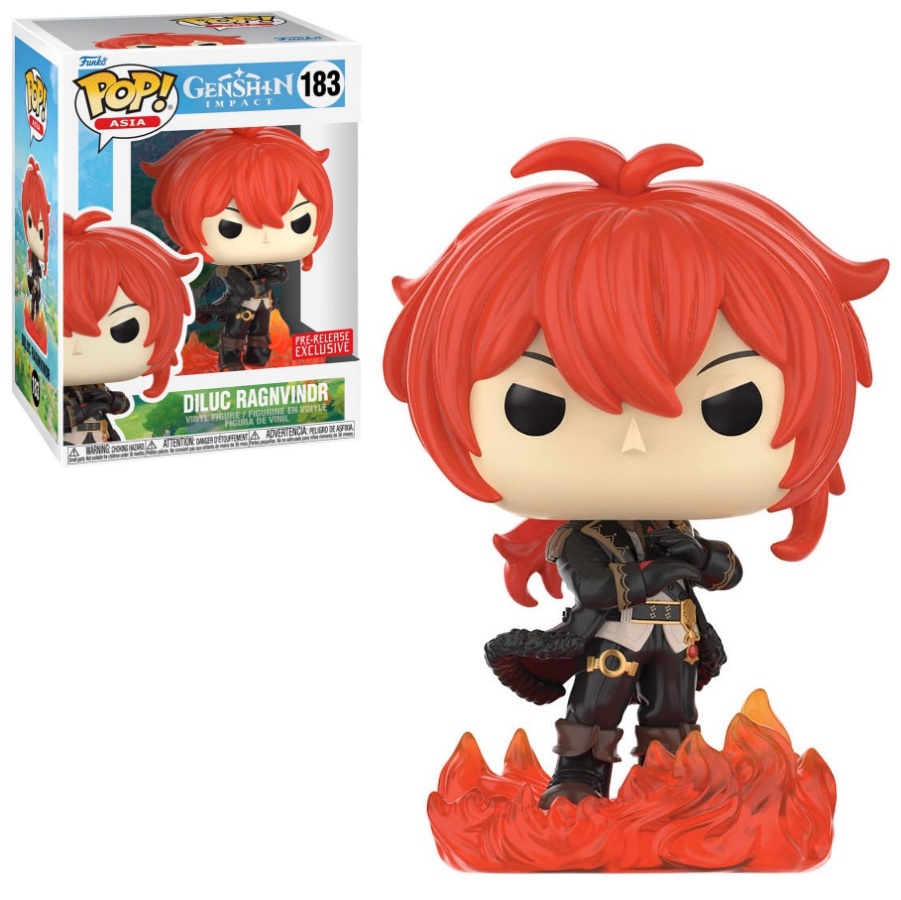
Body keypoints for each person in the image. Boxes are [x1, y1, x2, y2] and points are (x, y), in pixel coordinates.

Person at [384, 138, 888, 806]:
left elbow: (726, 572)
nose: (632, 441)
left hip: (675, 638)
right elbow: (597, 587)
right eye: (536, 406)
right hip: (611, 642)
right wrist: (672, 566)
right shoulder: (579, 537)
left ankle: (673, 781)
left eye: (730, 405)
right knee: (593, 716)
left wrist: (699, 557)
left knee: (673, 720)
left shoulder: (673, 527)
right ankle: (579, 780)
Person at [142, 127, 332, 371]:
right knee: (235, 332)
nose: (266, 238)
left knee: (260, 333)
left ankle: (257, 352)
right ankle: (229, 357)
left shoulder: (262, 264)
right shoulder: (231, 269)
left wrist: (276, 276)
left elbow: (277, 275)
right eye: (230, 227)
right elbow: (243, 288)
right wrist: (270, 280)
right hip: (241, 307)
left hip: (263, 306)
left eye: (299, 222)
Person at [63, 210, 199, 444]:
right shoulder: (59, 389)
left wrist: (108, 399)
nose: (79, 347)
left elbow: (122, 406)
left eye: (124, 329)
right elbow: (57, 415)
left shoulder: (95, 383)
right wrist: (89, 408)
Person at [21, 155, 50, 321]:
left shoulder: (35, 257)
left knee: (36, 300)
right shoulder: (33, 255)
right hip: (35, 278)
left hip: (35, 279)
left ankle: (35, 315)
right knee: (35, 300)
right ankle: (34, 316)